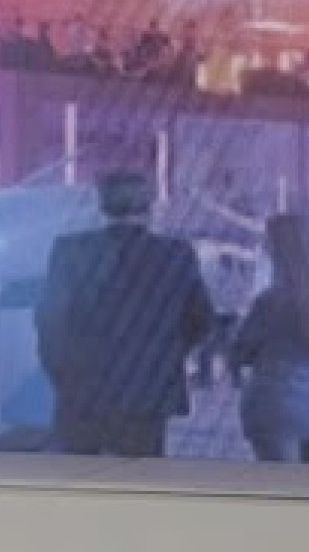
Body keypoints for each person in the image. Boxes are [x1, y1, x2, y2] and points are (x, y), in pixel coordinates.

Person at [36, 169, 211, 456]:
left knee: (78, 476)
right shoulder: (176, 255)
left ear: (101, 204)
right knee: (140, 478)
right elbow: (201, 321)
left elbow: (50, 321)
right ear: (149, 207)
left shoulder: (70, 252)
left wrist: (63, 375)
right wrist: (163, 356)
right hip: (148, 395)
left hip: (82, 394)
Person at [230, 214, 309, 463]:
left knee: (281, 482)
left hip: (277, 402)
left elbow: (241, 351)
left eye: (269, 243)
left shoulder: (271, 301)